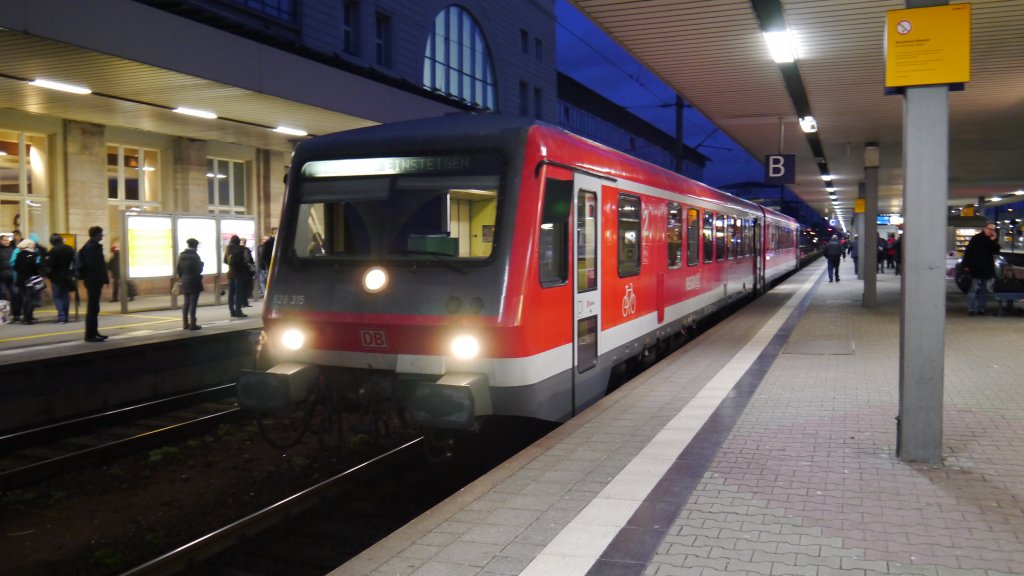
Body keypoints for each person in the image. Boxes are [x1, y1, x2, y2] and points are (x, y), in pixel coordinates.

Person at [962, 222, 1001, 316]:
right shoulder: (976, 238)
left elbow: (996, 250)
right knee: (973, 289)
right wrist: (966, 265)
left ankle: (981, 308)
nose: (991, 231)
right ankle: (971, 309)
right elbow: (968, 252)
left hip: (987, 269)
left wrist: (993, 240)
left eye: (993, 230)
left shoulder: (992, 240)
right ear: (985, 228)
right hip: (975, 267)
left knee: (984, 290)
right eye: (990, 229)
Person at [78, 226, 109, 341]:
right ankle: (90, 335)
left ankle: (94, 332)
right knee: (92, 308)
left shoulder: (91, 246)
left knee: (94, 308)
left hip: (93, 280)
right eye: (101, 234)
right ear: (96, 234)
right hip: (93, 281)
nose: (102, 236)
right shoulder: (92, 247)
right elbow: (95, 266)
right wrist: (103, 278)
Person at [45, 234, 76, 324]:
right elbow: (74, 261)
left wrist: (47, 273)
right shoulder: (69, 248)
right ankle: (66, 316)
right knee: (65, 296)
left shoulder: (53, 251)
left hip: (56, 277)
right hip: (67, 275)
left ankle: (61, 316)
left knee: (57, 296)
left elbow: (51, 265)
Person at [176, 238, 204, 330]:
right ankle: (193, 324)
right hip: (194, 281)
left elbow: (178, 270)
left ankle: (185, 323)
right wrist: (202, 264)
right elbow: (199, 269)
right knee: (193, 303)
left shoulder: (182, 255)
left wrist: (183, 277)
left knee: (186, 303)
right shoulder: (195, 256)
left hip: (185, 281)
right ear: (195, 246)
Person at [13, 238, 42, 325]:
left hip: (21, 280)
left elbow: (16, 267)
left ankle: (26, 317)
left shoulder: (19, 254)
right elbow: (35, 268)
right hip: (30, 279)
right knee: (31, 299)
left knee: (25, 298)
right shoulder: (33, 255)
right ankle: (29, 318)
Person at [223, 235, 247, 318]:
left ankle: (232, 311)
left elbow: (225, 261)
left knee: (231, 293)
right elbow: (241, 261)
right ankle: (238, 311)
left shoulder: (227, 248)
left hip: (230, 273)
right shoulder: (239, 249)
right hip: (238, 273)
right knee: (238, 293)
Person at [0, 234, 15, 321]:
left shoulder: (12, 249)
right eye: (5, 240)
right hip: (2, 277)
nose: (7, 241)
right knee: (3, 295)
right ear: (1, 241)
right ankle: (4, 317)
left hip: (12, 276)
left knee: (15, 294)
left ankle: (16, 315)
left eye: (8, 239)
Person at [258, 228, 275, 298]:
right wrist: (266, 265)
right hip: (266, 266)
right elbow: (262, 256)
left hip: (268, 266)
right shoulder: (268, 244)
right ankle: (266, 294)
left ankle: (267, 294)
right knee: (264, 281)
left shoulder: (275, 242)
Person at [239, 238, 255, 307]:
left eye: (245, 242)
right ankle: (243, 302)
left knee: (245, 287)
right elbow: (247, 259)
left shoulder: (245, 250)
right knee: (244, 287)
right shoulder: (242, 250)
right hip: (245, 271)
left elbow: (249, 259)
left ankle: (245, 302)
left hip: (246, 270)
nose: (244, 243)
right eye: (243, 242)